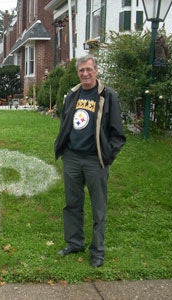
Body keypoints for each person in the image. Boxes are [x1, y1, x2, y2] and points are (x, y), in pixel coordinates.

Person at [54, 54, 126, 267]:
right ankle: (75, 243)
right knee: (72, 204)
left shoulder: (108, 96)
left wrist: (107, 156)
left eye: (88, 69)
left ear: (96, 70)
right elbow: (65, 122)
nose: (85, 74)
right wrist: (65, 149)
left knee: (98, 208)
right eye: (81, 70)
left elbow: (118, 134)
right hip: (72, 158)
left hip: (96, 161)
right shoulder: (73, 95)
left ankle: (98, 251)